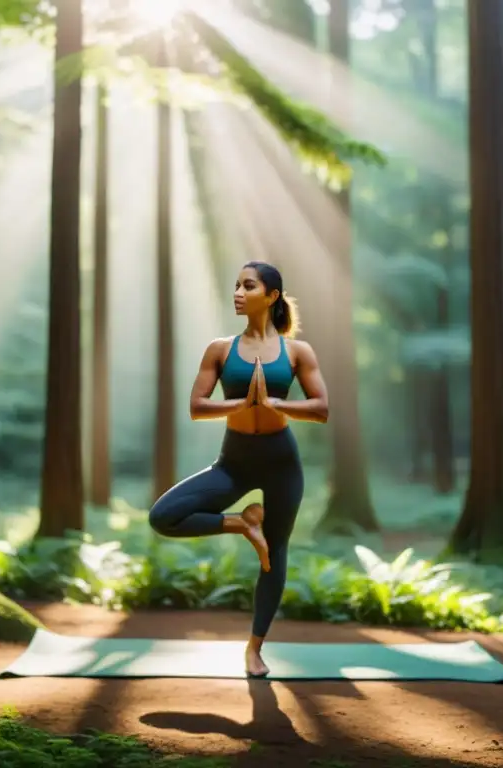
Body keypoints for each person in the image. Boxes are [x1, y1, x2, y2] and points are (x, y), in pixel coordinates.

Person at [148, 261, 329, 678]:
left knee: (275, 555)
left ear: (271, 296)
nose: (238, 292)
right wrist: (242, 405)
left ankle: (254, 649)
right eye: (236, 285)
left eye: (248, 286)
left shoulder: (297, 351)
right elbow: (197, 406)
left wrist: (277, 405)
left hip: (281, 462)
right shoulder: (220, 349)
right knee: (163, 516)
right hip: (234, 462)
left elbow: (321, 409)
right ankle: (242, 524)